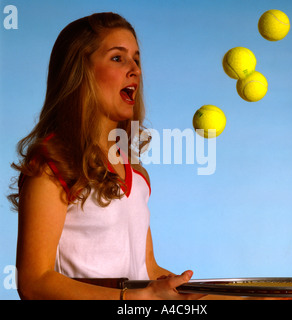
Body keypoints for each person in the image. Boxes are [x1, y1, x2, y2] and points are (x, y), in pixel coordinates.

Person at [8, 12, 207, 300]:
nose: (135, 70)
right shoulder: (52, 166)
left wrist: (251, 299)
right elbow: (34, 282)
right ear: (81, 72)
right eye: (118, 58)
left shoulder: (136, 175)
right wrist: (136, 299)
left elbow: (148, 272)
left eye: (136, 59)